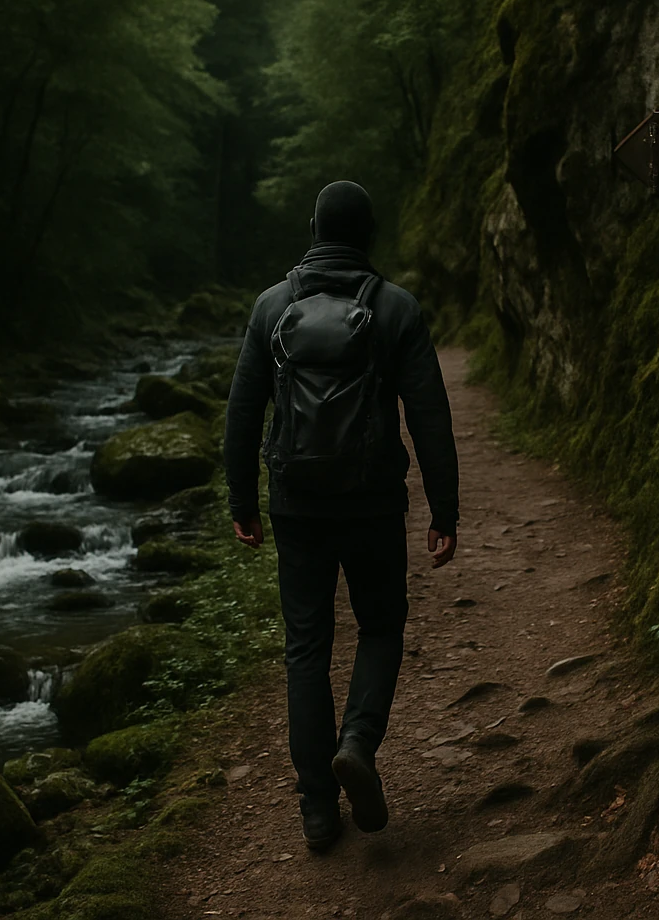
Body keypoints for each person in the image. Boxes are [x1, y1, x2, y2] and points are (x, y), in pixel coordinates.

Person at [223, 180, 460, 852]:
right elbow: (430, 416)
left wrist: (243, 500)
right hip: (372, 501)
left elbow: (243, 413)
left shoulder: (272, 306)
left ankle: (318, 813)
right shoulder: (395, 308)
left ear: (314, 228)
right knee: (381, 625)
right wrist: (445, 508)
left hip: (296, 503)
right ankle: (357, 740)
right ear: (368, 236)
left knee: (306, 648)